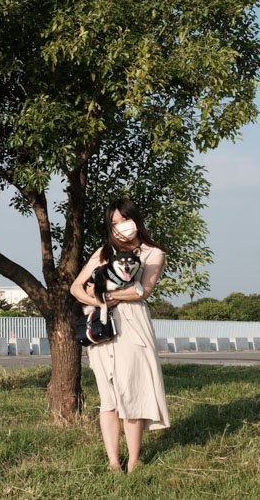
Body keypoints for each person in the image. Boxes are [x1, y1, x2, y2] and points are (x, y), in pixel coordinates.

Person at [70, 197, 171, 473]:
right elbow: (76, 287)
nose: (120, 227)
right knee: (109, 397)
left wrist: (107, 294)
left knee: (132, 393)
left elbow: (142, 290)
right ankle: (114, 462)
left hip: (133, 328)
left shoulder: (152, 253)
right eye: (114, 223)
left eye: (124, 220)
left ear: (135, 220)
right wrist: (99, 300)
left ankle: (135, 461)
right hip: (102, 330)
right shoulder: (103, 254)